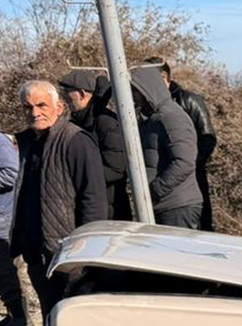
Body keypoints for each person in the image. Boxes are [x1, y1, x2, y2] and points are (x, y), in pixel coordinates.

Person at [9, 81, 106, 318]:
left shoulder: (76, 141)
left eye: (42, 105)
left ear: (59, 107)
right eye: (28, 107)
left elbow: (93, 198)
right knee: (50, 316)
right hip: (36, 249)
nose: (35, 113)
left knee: (73, 317)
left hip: (69, 251)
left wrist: (85, 246)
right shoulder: (28, 142)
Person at [145, 57, 218, 230]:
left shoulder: (189, 100)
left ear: (164, 77)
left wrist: (192, 160)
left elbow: (208, 136)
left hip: (190, 174)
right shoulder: (151, 107)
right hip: (164, 179)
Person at [129, 65, 203, 228]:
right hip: (162, 206)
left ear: (148, 89)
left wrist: (154, 191)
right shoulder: (152, 119)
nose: (134, 97)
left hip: (176, 206)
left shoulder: (171, 118)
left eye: (136, 91)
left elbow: (184, 162)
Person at [59, 69, 131, 222]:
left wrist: (82, 177)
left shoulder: (107, 122)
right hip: (84, 204)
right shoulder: (76, 122)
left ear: (83, 93)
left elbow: (116, 168)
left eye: (68, 93)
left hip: (110, 209)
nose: (65, 99)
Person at [0, 133, 24, 326]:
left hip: (2, 217)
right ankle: (12, 314)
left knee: (5, 268)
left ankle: (19, 316)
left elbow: (12, 171)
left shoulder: (0, 142)